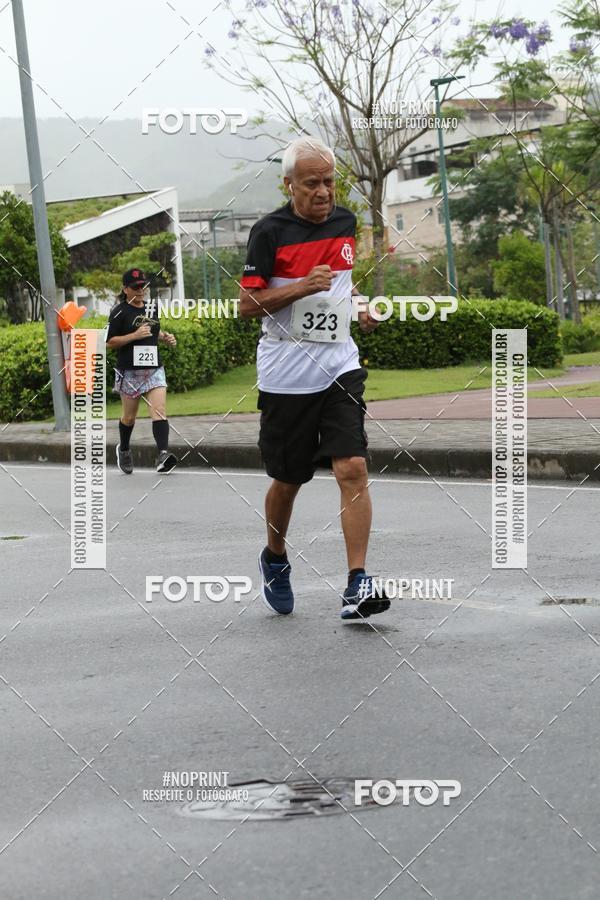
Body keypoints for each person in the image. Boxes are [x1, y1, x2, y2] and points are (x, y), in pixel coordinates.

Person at [239, 136, 391, 622]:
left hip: (339, 366)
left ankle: (357, 582)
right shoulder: (268, 233)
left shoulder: (346, 223)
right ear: (289, 185)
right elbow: (246, 306)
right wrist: (302, 285)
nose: (324, 192)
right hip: (285, 374)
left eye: (329, 182)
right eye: (312, 184)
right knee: (288, 479)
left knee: (353, 468)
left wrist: (360, 308)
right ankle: (276, 558)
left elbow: (343, 287)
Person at [106, 268, 178, 474]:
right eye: (136, 287)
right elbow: (110, 342)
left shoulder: (152, 308)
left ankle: (163, 454)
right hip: (129, 371)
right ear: (125, 289)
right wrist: (133, 336)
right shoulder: (119, 312)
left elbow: (153, 331)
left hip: (154, 368)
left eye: (144, 286)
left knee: (159, 410)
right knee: (129, 418)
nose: (141, 290)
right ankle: (125, 449)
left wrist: (165, 337)